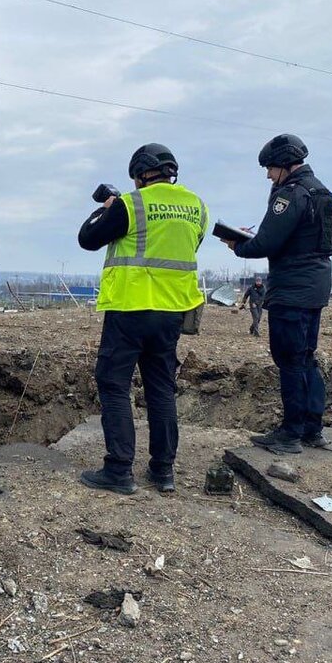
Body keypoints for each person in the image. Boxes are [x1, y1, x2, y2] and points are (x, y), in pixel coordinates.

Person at [77, 143, 207, 494]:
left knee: (114, 385)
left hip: (130, 309)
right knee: (161, 389)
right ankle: (163, 471)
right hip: (171, 314)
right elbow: (187, 246)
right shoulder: (197, 207)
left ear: (139, 174)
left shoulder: (130, 204)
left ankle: (119, 470)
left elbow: (87, 240)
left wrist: (105, 209)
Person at [219, 134, 332, 455]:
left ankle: (290, 434)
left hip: (292, 290)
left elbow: (267, 244)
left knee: (289, 360)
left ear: (285, 164)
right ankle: (313, 430)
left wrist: (237, 244)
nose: (268, 175)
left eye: (270, 168)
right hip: (316, 287)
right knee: (306, 358)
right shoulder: (321, 192)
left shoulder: (290, 194)